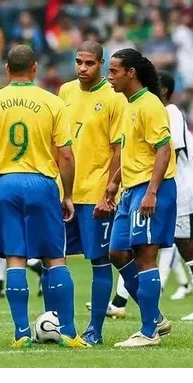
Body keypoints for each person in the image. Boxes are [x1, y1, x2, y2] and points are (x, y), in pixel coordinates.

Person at [0, 45, 90, 349]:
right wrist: (68, 194)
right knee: (54, 258)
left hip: (6, 184)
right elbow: (66, 155)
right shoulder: (52, 102)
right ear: (34, 69)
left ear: (7, 69)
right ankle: (69, 333)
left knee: (15, 259)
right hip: (42, 183)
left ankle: (21, 334)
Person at [105, 48, 176, 348]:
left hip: (149, 188)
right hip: (130, 189)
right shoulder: (129, 104)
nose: (109, 77)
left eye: (114, 71)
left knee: (146, 257)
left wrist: (152, 192)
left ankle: (149, 332)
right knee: (117, 252)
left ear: (130, 73)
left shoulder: (150, 105)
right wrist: (114, 182)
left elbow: (164, 150)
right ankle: (155, 317)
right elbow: (133, 150)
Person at [56, 41, 126, 345]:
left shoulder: (114, 97)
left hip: (95, 193)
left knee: (99, 260)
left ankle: (95, 330)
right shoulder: (65, 91)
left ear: (101, 64)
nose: (82, 68)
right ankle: (62, 327)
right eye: (78, 62)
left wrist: (110, 190)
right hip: (64, 193)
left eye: (89, 63)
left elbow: (119, 148)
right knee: (54, 260)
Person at [158, 70, 193, 320]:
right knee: (140, 245)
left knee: (187, 247)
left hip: (179, 191)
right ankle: (119, 301)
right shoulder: (158, 112)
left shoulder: (171, 112)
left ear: (163, 90)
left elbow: (175, 150)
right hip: (165, 189)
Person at [0, 135, 44, 298]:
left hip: (5, 183)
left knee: (5, 240)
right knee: (1, 241)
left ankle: (39, 268)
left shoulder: (0, 127)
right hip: (27, 182)